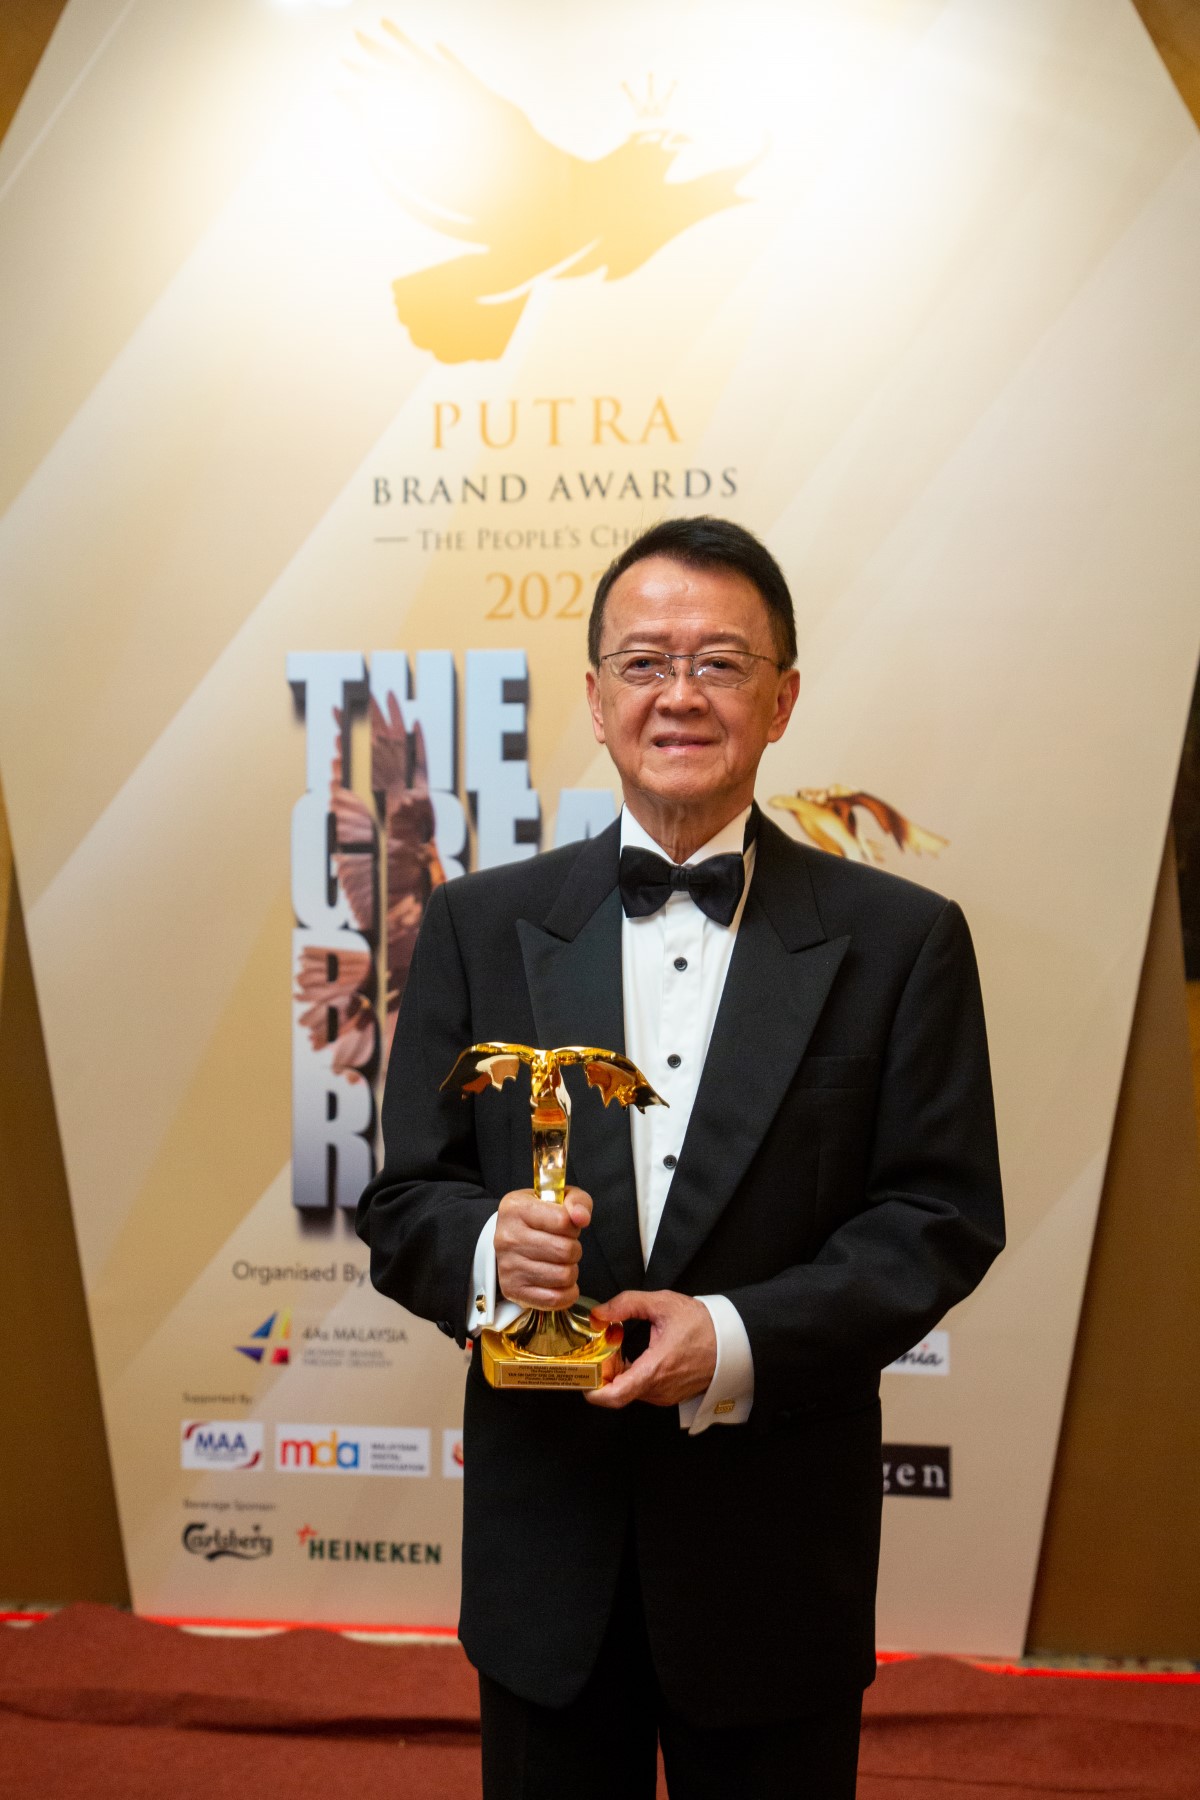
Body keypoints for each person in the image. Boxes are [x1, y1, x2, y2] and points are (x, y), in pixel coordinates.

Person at [357, 516, 1004, 1799]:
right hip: (551, 1567)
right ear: (596, 699)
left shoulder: (902, 941)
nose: (680, 694)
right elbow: (404, 1201)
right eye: (645, 662)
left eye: (719, 662)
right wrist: (493, 1251)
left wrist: (734, 1335)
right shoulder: (484, 926)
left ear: (782, 700)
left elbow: (937, 1216)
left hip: (774, 1567)